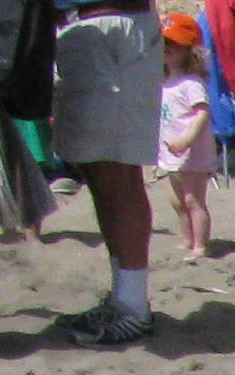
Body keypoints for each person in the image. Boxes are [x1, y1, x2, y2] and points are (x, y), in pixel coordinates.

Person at [47, 0, 167, 346]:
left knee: (117, 171)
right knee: (99, 170)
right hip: (86, 27)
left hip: (111, 23)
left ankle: (132, 305)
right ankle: (123, 299)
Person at [156, 11, 216, 261]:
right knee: (177, 200)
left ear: (189, 49)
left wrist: (187, 139)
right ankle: (186, 238)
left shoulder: (191, 83)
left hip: (192, 152)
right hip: (170, 152)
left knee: (193, 200)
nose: (167, 48)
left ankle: (200, 244)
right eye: (163, 43)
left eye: (174, 43)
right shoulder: (164, 80)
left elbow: (202, 114)